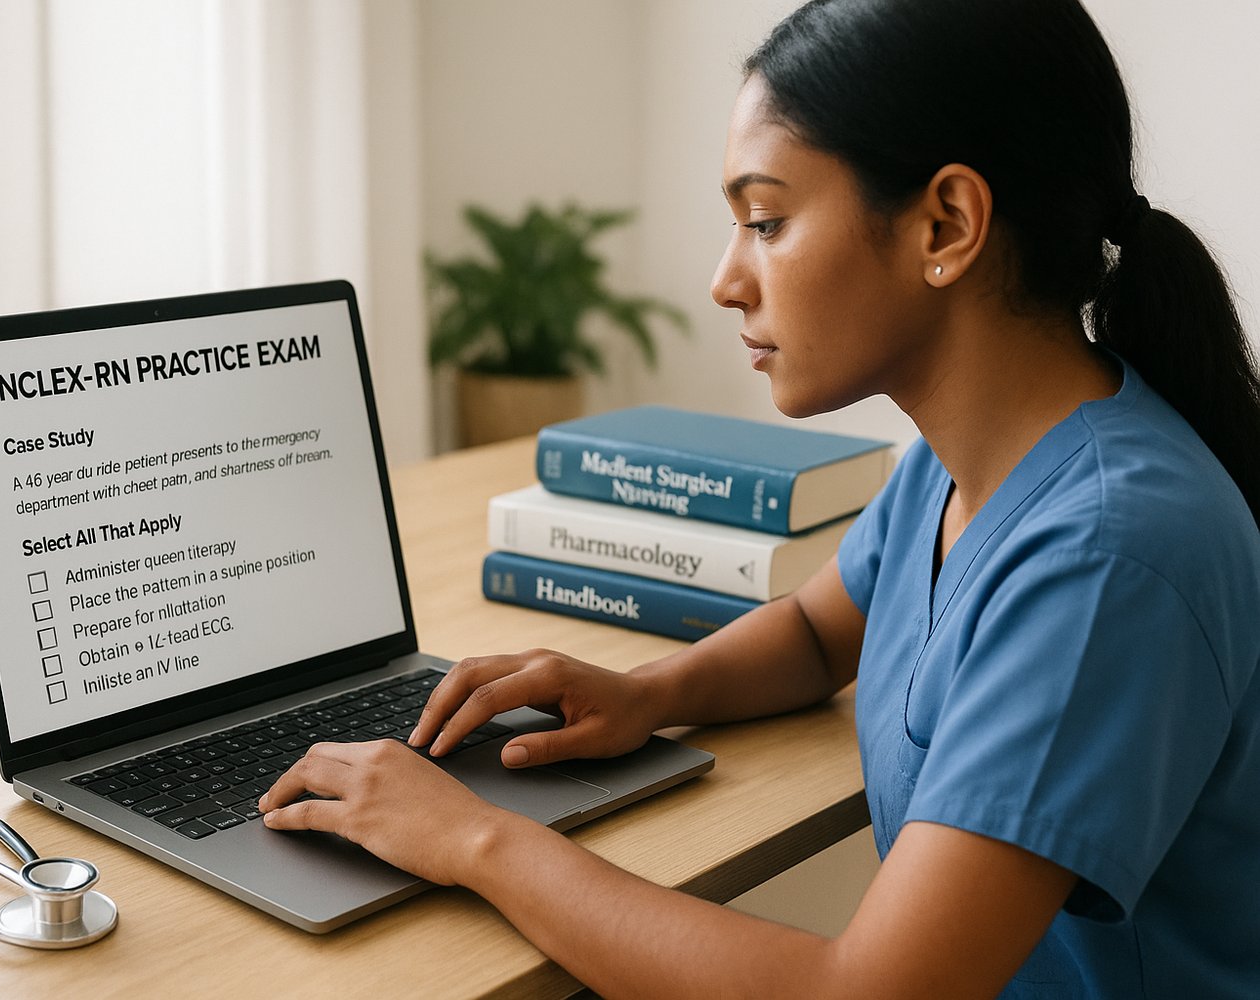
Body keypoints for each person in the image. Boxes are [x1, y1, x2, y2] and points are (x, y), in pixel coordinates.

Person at [258, 0, 1260, 995]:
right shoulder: (965, 462)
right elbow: (823, 633)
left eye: (767, 220)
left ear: (946, 223)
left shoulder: (1107, 552)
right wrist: (647, 692)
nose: (725, 279)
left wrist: (473, 837)